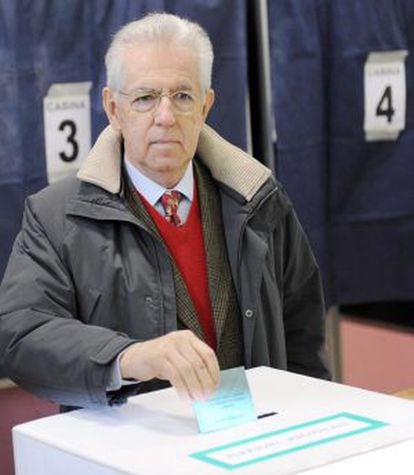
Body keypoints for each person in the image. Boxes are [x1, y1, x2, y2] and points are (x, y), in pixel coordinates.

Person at [0, 13, 329, 410]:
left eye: (183, 96)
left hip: (253, 442)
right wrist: (128, 358)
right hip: (129, 456)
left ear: (206, 106)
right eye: (145, 98)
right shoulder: (57, 218)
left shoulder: (258, 199)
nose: (166, 117)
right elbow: (20, 335)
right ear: (112, 108)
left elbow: (303, 338)